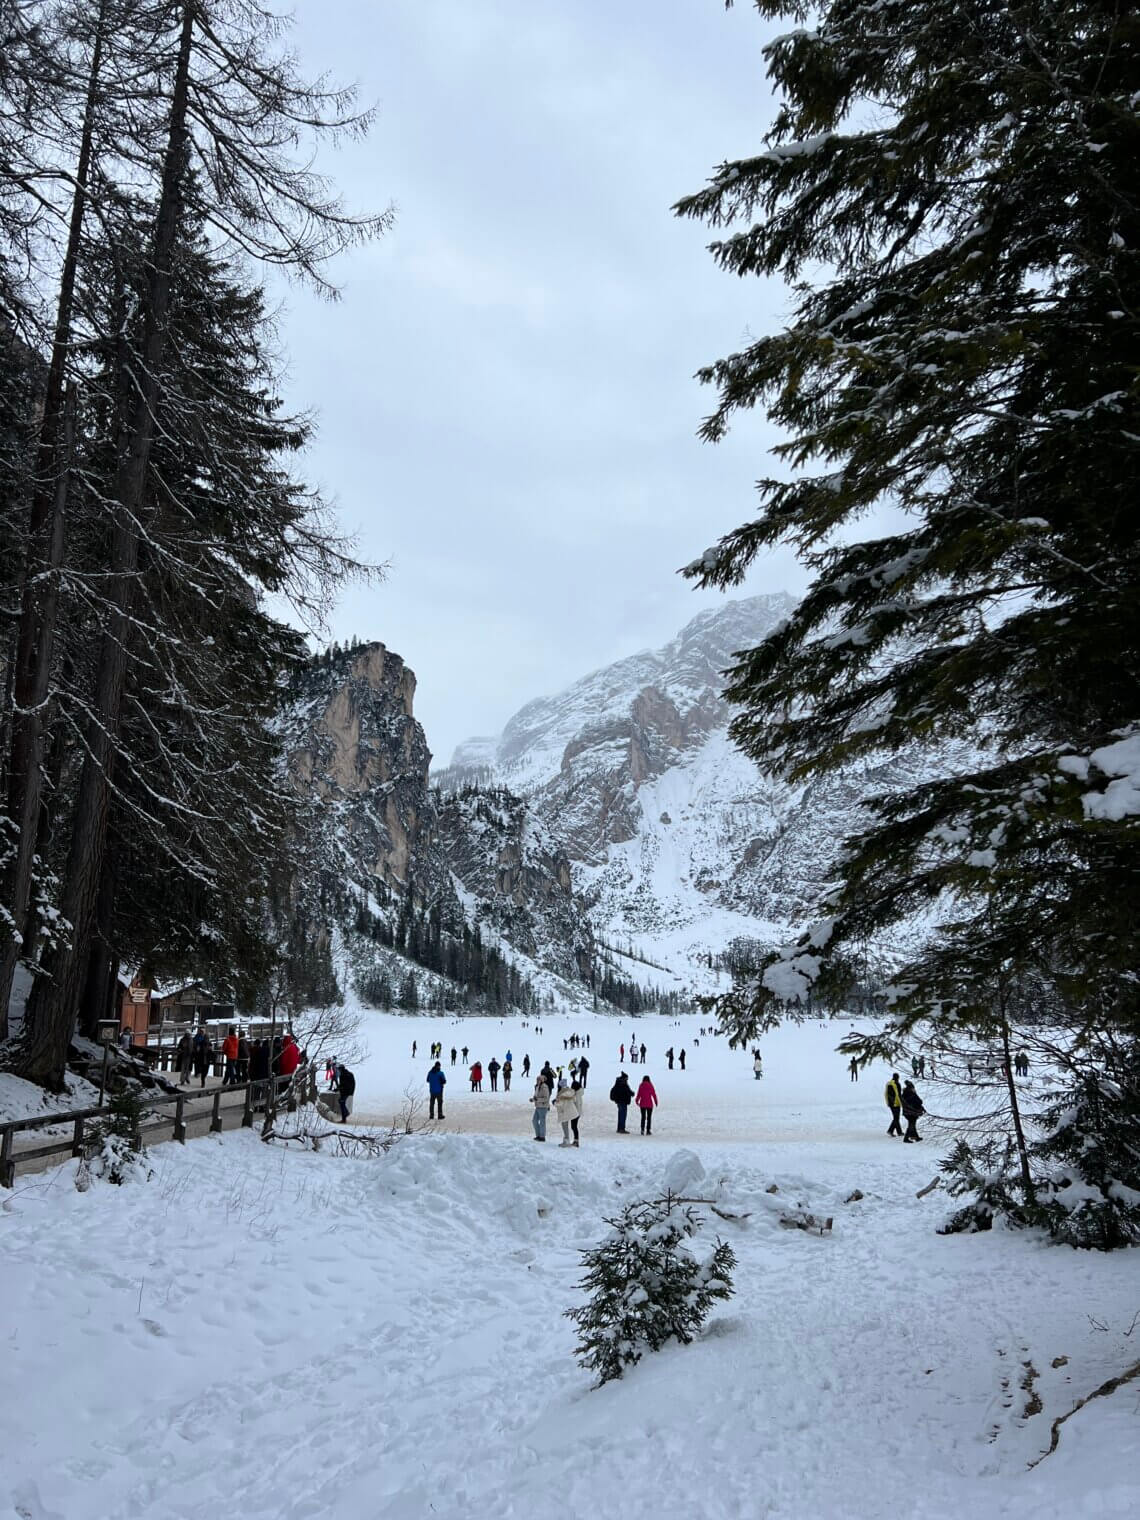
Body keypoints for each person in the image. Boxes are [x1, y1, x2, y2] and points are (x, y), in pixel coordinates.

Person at [554, 1078, 578, 1147]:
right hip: (570, 1111)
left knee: (565, 1127)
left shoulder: (562, 1093)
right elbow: (574, 1100)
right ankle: (567, 1140)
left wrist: (554, 1103)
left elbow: (560, 1104)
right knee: (568, 1126)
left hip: (564, 1112)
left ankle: (566, 1141)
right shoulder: (570, 1091)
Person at [531, 1074, 551, 1141]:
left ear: (542, 1080)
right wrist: (533, 1099)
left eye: (538, 1079)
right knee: (534, 1121)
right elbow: (536, 1096)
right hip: (538, 1106)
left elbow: (546, 1098)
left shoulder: (545, 1087)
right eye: (537, 1079)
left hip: (543, 1107)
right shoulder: (538, 1086)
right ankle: (538, 1135)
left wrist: (537, 1100)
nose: (537, 1081)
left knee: (542, 1122)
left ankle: (542, 1137)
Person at [885, 1072, 903, 1137]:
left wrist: (888, 1102)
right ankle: (890, 1130)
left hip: (890, 1103)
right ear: (898, 1077)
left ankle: (899, 1132)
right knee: (896, 1118)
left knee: (896, 1117)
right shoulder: (897, 1084)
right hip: (896, 1103)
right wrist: (901, 1102)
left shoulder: (889, 1083)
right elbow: (898, 1095)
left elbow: (886, 1093)